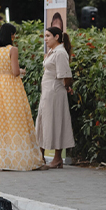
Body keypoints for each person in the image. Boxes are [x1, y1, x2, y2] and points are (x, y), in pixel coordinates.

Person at [0, 24, 47, 171]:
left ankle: (2, 160)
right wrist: (22, 71)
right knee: (17, 122)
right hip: (11, 89)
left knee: (1, 124)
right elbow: (15, 71)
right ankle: (21, 159)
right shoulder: (12, 50)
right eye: (13, 34)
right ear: (11, 35)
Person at [36, 26, 75, 169]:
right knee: (44, 122)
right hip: (48, 92)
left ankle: (57, 158)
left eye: (48, 36)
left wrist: (67, 87)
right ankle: (41, 157)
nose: (45, 39)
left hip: (55, 93)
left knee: (55, 123)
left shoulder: (60, 53)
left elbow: (66, 74)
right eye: (45, 36)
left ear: (57, 37)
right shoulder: (53, 52)